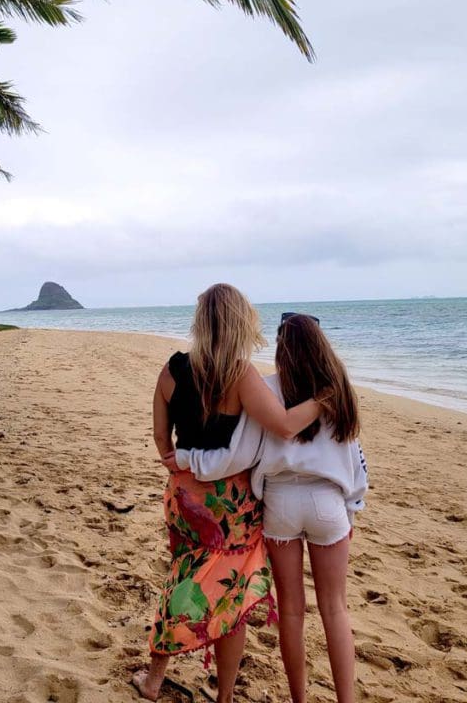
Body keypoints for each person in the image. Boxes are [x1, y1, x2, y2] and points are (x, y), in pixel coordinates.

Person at [132, 285, 324, 703]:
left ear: (202, 323)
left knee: (182, 578)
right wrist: (326, 398)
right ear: (242, 322)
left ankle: (153, 680)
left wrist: (184, 464)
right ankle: (224, 697)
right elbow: (285, 425)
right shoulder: (241, 375)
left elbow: (162, 441)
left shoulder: (172, 370)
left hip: (183, 498)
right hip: (231, 507)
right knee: (229, 600)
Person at [172, 312, 367, 703]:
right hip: (327, 501)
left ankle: (299, 698)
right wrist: (352, 505)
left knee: (292, 612)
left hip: (280, 502)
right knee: (335, 608)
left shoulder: (267, 389)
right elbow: (354, 457)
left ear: (281, 348)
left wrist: (188, 459)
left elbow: (238, 455)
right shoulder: (337, 392)